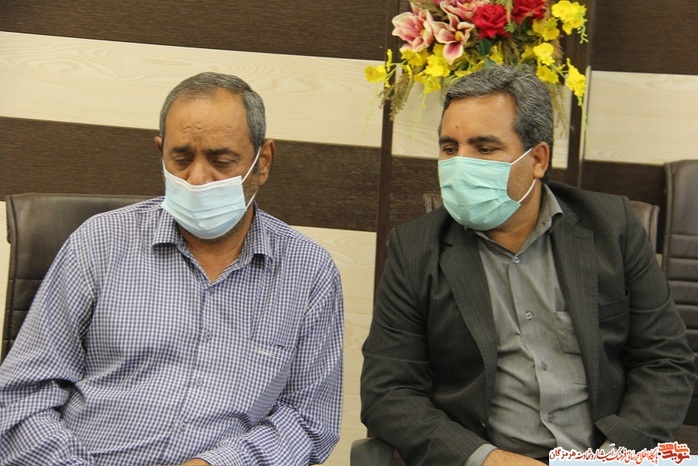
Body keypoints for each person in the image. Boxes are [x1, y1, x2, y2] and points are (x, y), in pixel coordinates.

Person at [0, 72, 344, 465]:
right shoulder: (100, 242)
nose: (197, 178)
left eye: (221, 160)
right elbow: (20, 396)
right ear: (161, 151)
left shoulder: (308, 272)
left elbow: (308, 421)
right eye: (181, 159)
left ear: (262, 162)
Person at [360, 64, 695, 466]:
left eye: (484, 149)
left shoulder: (613, 226)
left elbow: (665, 361)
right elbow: (388, 392)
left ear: (537, 159)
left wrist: (613, 457)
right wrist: (488, 460)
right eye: (449, 148)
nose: (460, 165)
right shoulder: (415, 249)